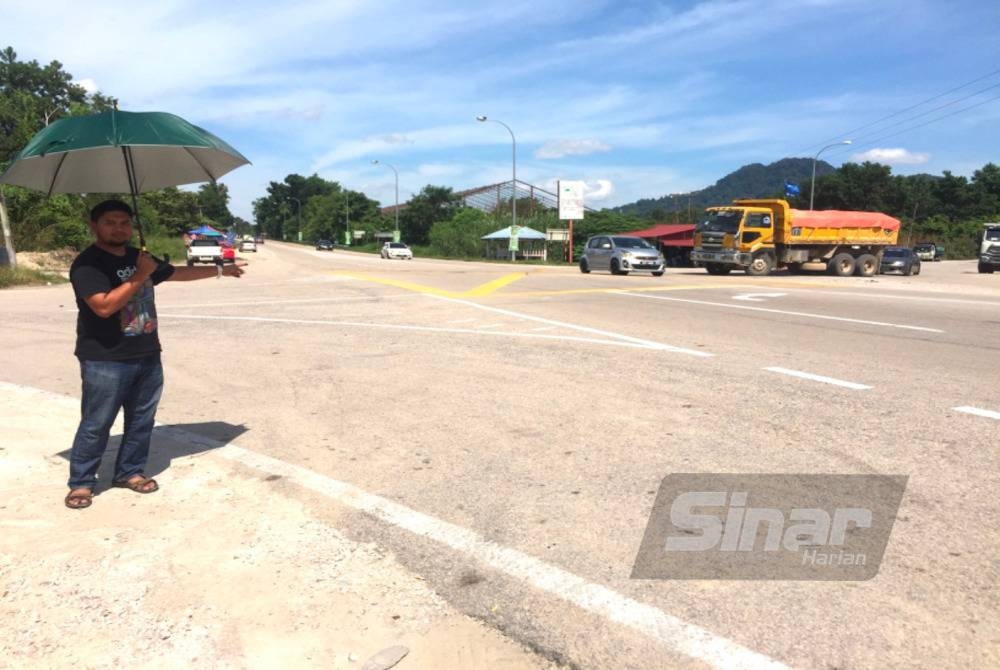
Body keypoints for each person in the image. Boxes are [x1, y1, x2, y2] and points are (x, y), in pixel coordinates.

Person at [64, 199, 245, 509]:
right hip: (105, 358)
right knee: (96, 422)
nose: (119, 228)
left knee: (141, 420)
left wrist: (221, 269)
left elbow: (174, 273)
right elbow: (104, 306)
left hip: (147, 352)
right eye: (110, 222)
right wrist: (138, 276)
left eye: (124, 222)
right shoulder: (87, 264)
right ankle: (81, 482)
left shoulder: (139, 256)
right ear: (94, 226)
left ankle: (129, 472)